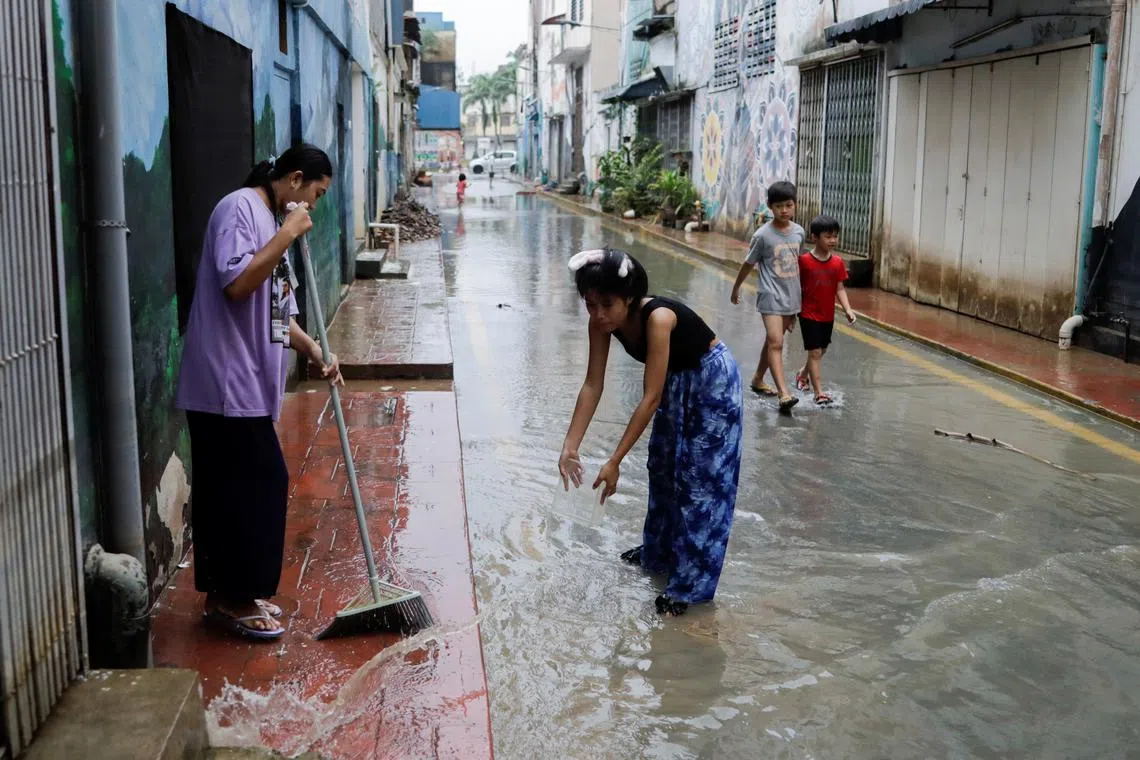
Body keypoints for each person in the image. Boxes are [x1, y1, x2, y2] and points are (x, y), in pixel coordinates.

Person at [175, 143, 343, 640]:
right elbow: (235, 284)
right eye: (314, 194)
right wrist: (287, 235)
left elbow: (276, 310)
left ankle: (235, 596)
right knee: (254, 486)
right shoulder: (238, 209)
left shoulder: (269, 223)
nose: (313, 205)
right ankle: (231, 599)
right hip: (224, 383)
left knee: (245, 490)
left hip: (247, 384)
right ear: (294, 179)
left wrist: (314, 350)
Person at [559, 248, 743, 616]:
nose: (597, 314)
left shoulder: (658, 318)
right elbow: (593, 384)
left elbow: (650, 397)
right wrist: (570, 445)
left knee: (700, 484)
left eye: (606, 304)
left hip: (713, 381)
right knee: (661, 468)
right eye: (589, 304)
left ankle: (690, 587)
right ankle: (658, 553)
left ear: (629, 297)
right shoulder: (601, 323)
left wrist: (614, 461)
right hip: (677, 379)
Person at [730, 181, 806, 414]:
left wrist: (799, 302)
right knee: (776, 342)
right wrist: (736, 288)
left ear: (795, 205)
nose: (784, 210)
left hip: (791, 296)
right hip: (770, 296)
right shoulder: (762, 236)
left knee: (773, 340)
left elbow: (798, 264)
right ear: (770, 207)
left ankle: (758, 379)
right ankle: (784, 394)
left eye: (788, 205)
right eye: (779, 206)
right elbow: (748, 264)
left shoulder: (799, 232)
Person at [794, 215, 857, 405]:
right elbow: (795, 286)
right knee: (814, 353)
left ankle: (802, 375)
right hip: (808, 314)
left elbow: (839, 288)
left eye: (835, 236)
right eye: (828, 236)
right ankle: (818, 392)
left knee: (821, 350)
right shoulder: (803, 261)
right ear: (815, 237)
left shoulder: (837, 263)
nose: (833, 241)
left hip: (827, 315)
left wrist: (847, 309)